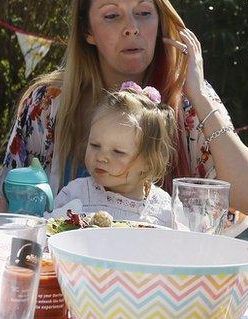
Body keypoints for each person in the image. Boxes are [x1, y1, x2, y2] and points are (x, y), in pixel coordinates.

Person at [0, 0, 248, 226]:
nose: (132, 27)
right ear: (88, 31)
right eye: (112, 15)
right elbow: (13, 207)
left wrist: (198, 93)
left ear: (160, 22)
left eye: (144, 13)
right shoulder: (48, 102)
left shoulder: (187, 100)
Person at [50, 83, 175, 227]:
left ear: (148, 161)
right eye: (95, 145)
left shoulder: (163, 210)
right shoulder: (76, 194)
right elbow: (50, 232)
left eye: (118, 152)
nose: (101, 157)